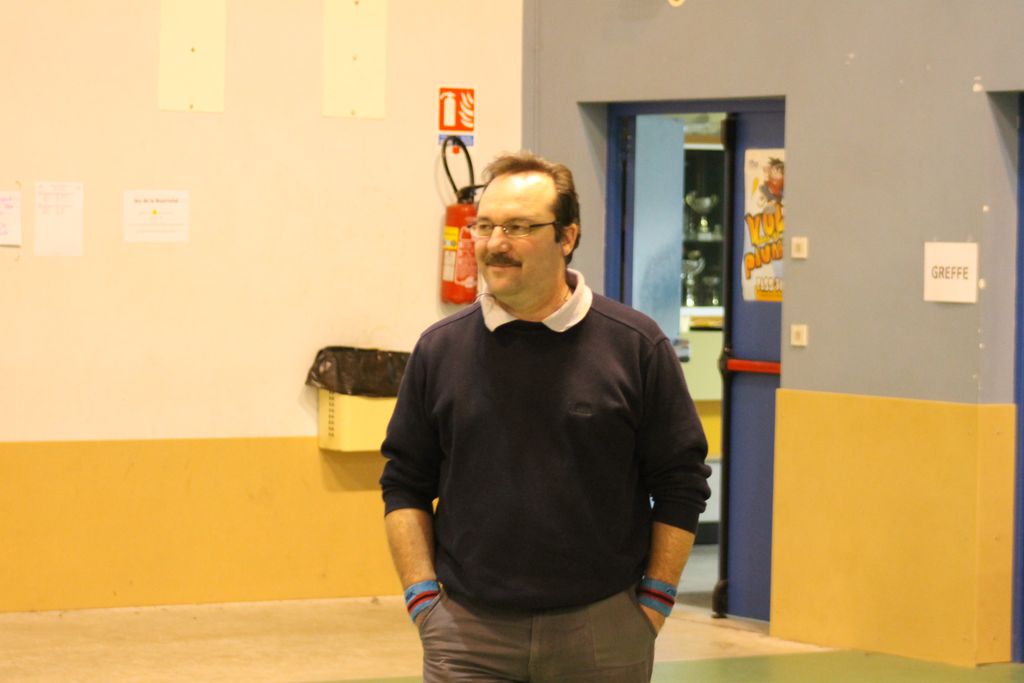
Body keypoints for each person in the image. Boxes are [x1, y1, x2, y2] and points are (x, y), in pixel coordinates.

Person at [379, 151, 711, 682]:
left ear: (567, 236)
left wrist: (653, 602)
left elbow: (681, 481)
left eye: (518, 227)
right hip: (467, 637)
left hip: (603, 632)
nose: (495, 243)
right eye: (484, 225)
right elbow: (405, 481)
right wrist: (422, 599)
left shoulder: (634, 346)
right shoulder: (440, 350)